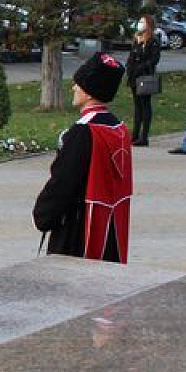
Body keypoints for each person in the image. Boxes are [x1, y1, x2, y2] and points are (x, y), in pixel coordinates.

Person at [33, 52, 132, 263]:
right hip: (112, 227)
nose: (73, 87)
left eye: (77, 83)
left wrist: (43, 215)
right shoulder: (119, 129)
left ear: (89, 92)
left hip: (79, 230)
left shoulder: (84, 132)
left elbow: (64, 181)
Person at [125, 14, 162, 146]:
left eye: (142, 22)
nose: (140, 24)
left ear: (148, 24)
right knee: (137, 106)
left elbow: (153, 59)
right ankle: (134, 134)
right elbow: (131, 56)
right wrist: (129, 68)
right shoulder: (137, 39)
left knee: (145, 105)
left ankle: (144, 136)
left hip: (145, 77)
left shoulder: (153, 41)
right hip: (134, 76)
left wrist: (141, 66)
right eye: (139, 21)